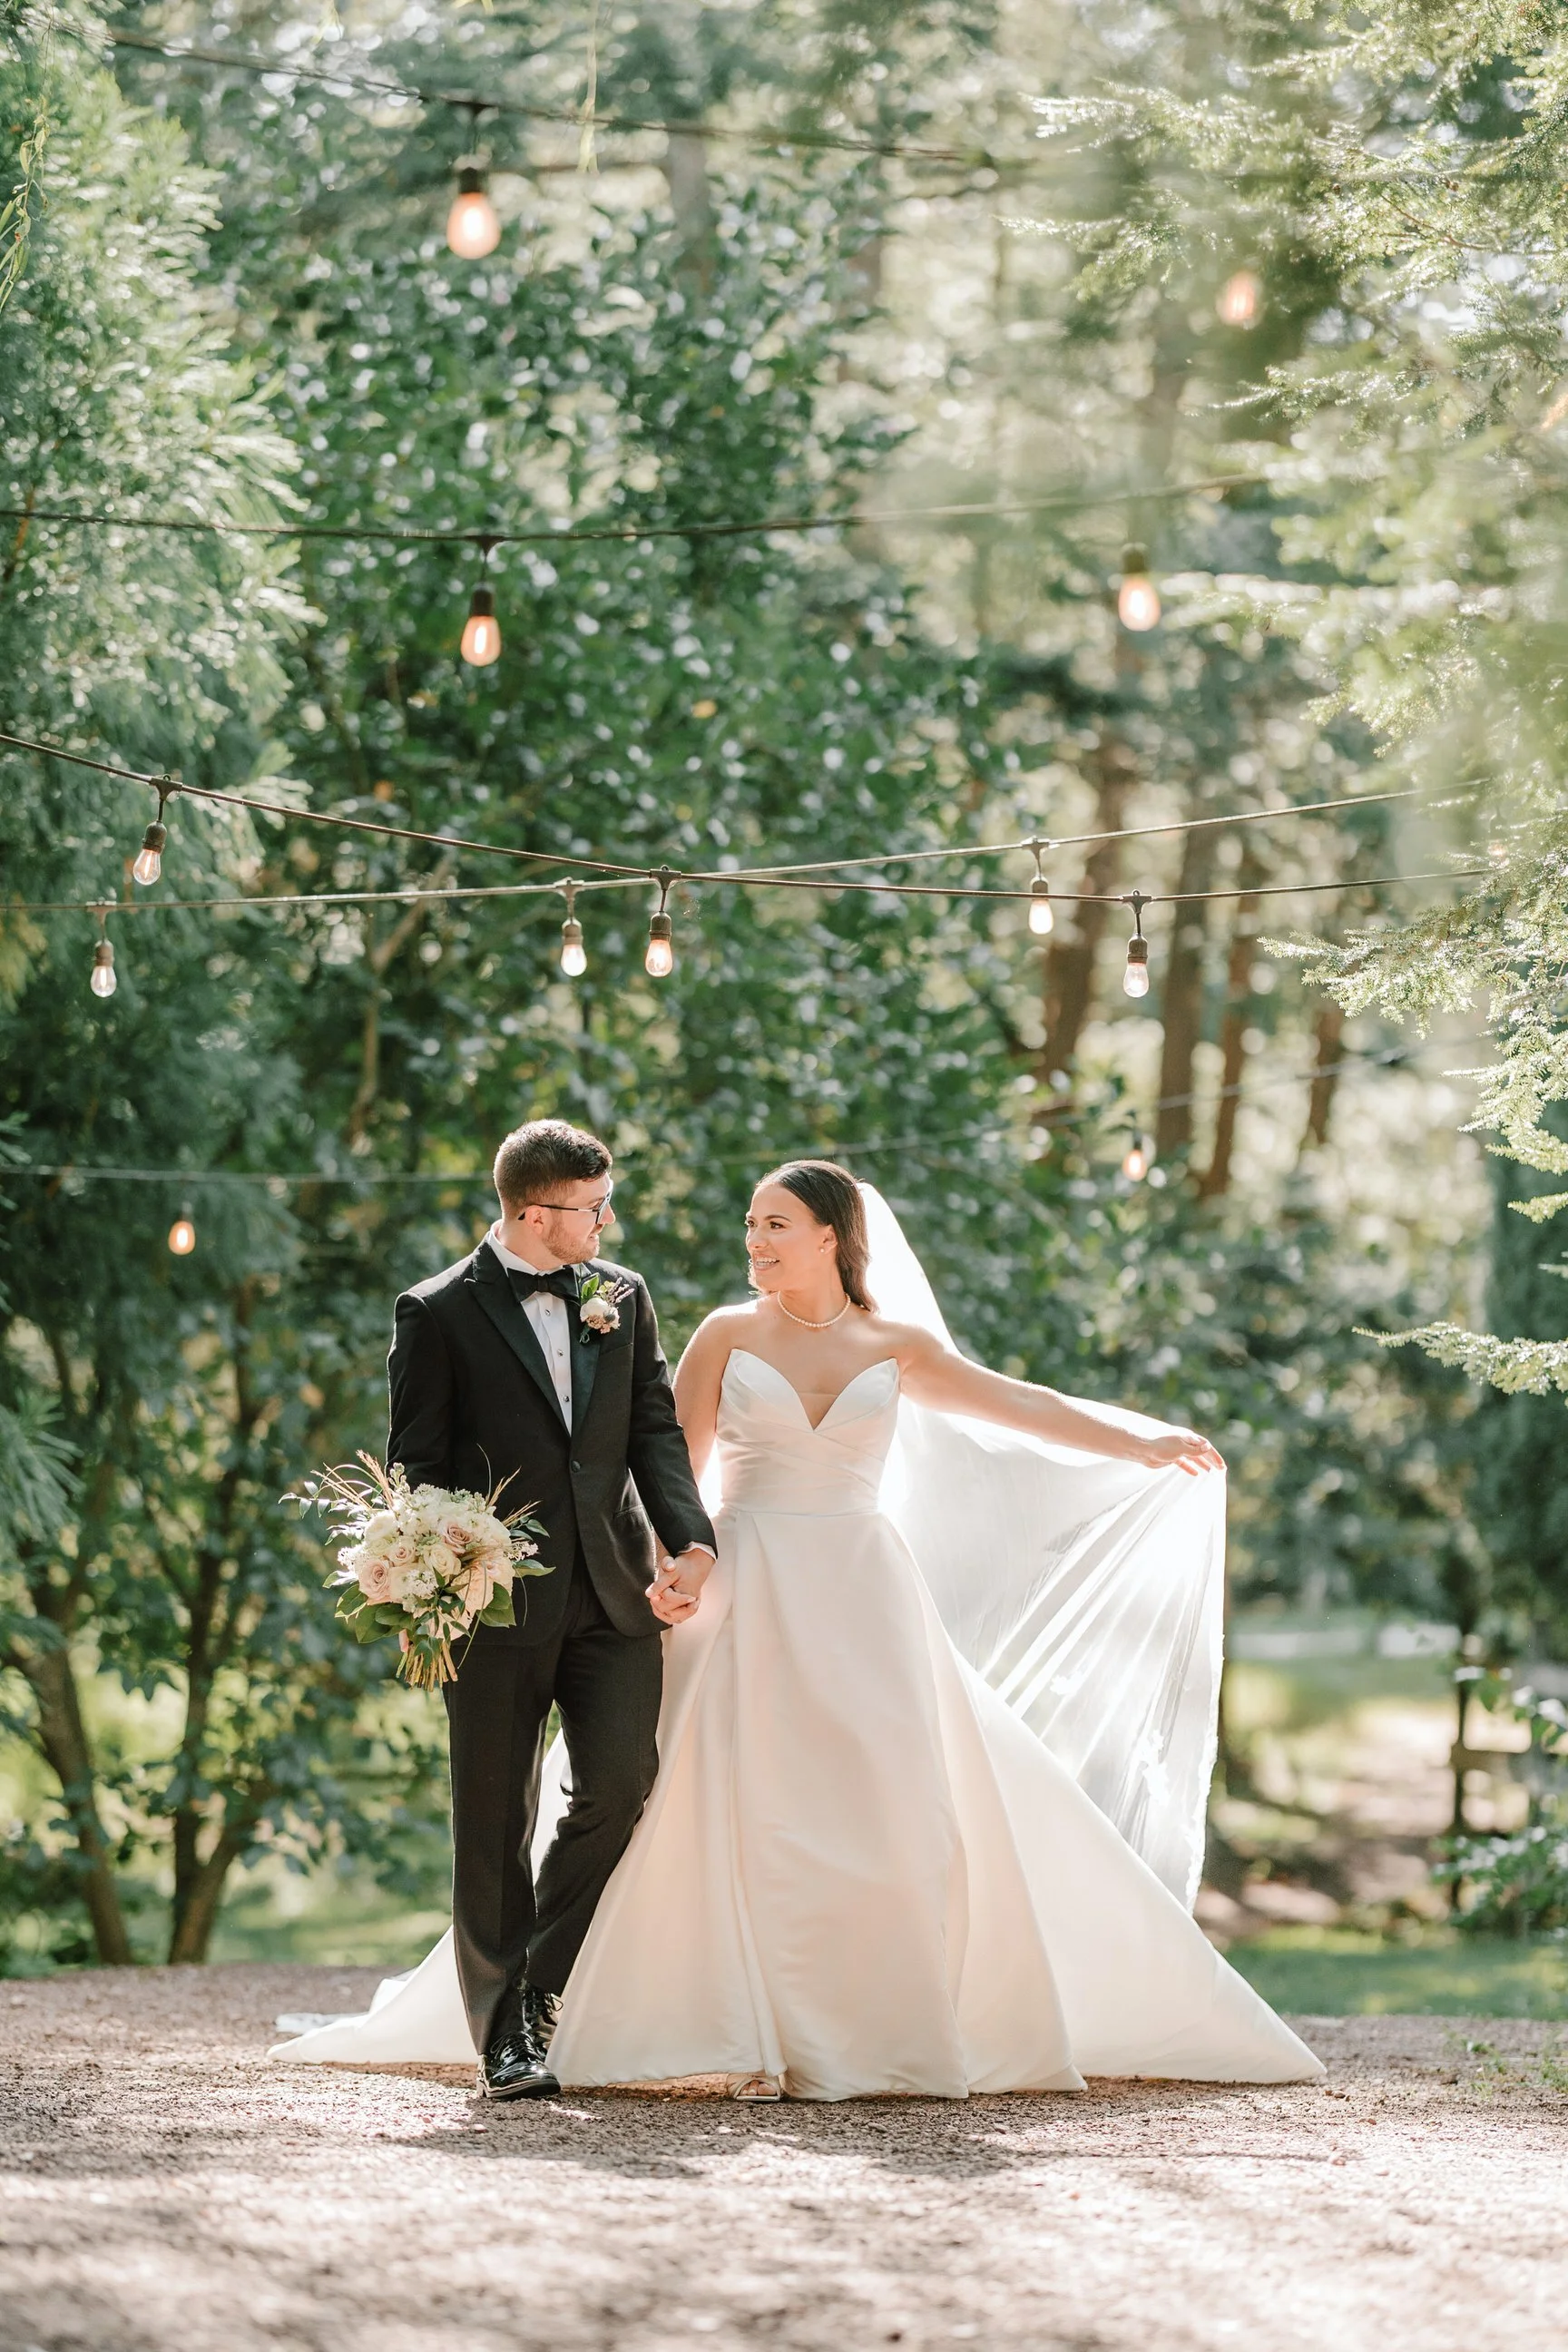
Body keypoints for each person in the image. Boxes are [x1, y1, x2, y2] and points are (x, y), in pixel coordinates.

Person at [272, 1159, 1321, 2096]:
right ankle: (602, 2006)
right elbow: (668, 1460)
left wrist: (1139, 1444)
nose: (755, 1241)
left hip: (863, 1590)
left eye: (774, 1225)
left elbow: (1017, 1404)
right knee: (699, 1792)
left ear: (831, 1235)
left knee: (884, 1796)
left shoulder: (895, 1344)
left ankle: (861, 2019)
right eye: (751, 1225)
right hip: (744, 1583)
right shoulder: (724, 1334)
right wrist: (681, 1562)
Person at [379, 1118, 715, 2100]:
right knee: (493, 1817)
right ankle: (502, 2040)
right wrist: (442, 1572)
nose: (605, 1224)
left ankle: (539, 1982)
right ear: (535, 1214)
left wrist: (691, 1540)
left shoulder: (623, 1296)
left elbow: (653, 1428)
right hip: (491, 1606)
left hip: (615, 1590)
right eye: (592, 1208)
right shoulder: (436, 1311)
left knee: (621, 1783)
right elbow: (416, 1465)